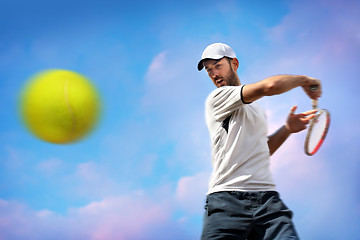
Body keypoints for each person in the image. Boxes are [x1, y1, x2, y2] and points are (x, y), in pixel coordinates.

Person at [198, 43, 322, 240]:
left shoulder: (255, 110)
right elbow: (269, 86)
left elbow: (262, 150)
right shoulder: (218, 97)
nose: (213, 74)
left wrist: (288, 128)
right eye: (208, 70)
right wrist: (305, 80)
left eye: (217, 66)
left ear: (234, 64)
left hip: (267, 202)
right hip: (226, 200)